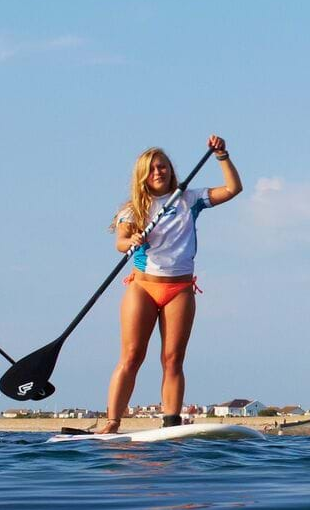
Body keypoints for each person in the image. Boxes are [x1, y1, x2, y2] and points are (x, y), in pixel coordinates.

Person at [91, 137, 242, 434]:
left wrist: (222, 157)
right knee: (132, 356)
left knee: (173, 359)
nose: (158, 172)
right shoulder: (133, 209)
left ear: (171, 170)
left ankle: (170, 422)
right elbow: (120, 241)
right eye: (151, 169)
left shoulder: (190, 199)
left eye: (162, 167)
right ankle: (112, 422)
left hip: (180, 289)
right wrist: (130, 241)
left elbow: (233, 189)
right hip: (143, 287)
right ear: (142, 177)